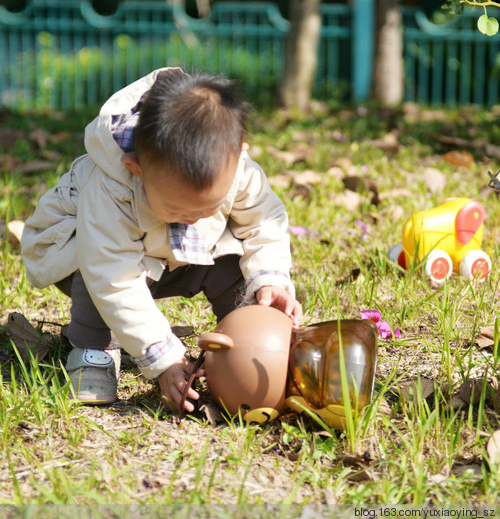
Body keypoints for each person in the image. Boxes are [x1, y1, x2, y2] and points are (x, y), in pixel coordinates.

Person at [21, 67, 302, 412]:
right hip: (93, 261)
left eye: (208, 207)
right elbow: (113, 277)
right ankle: (94, 350)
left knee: (237, 267)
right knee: (95, 268)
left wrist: (271, 279)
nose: (195, 216)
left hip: (178, 255)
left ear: (239, 155)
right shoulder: (111, 187)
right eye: (176, 206)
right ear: (136, 168)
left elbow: (265, 223)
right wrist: (163, 358)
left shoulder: (238, 170)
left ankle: (248, 336)